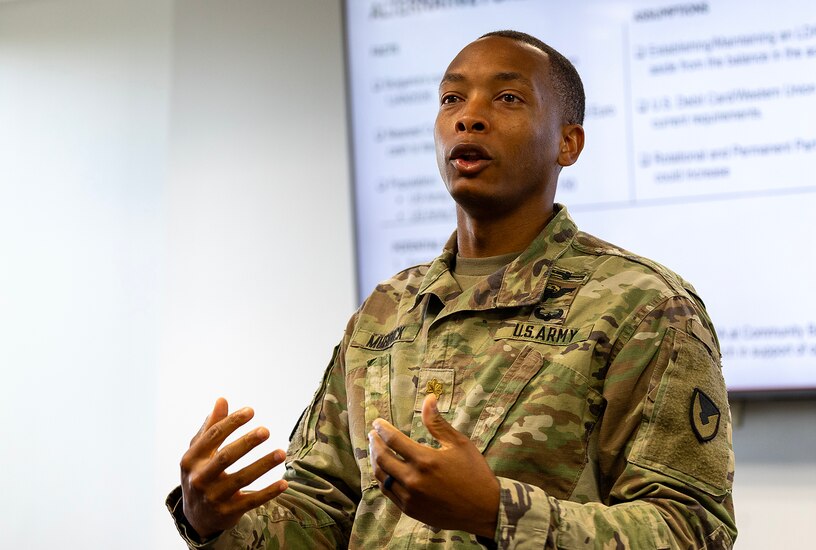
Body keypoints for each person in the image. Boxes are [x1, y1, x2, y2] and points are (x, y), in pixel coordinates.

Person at [167, 30, 736, 549]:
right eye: (451, 100)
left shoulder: (645, 305)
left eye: (507, 98)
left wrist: (499, 514)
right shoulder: (387, 309)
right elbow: (326, 509)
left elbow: (692, 529)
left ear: (568, 143)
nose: (469, 119)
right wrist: (219, 523)